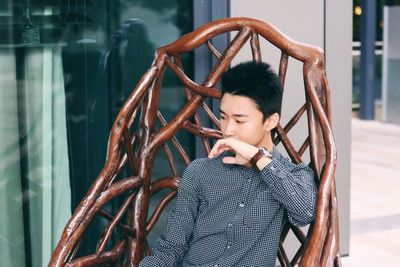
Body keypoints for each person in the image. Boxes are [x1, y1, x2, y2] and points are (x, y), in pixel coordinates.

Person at [139, 61, 318, 267]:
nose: (228, 130)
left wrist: (258, 157)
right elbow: (171, 248)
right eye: (223, 117)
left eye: (240, 120)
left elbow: (305, 212)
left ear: (270, 121)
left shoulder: (292, 176)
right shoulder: (200, 171)